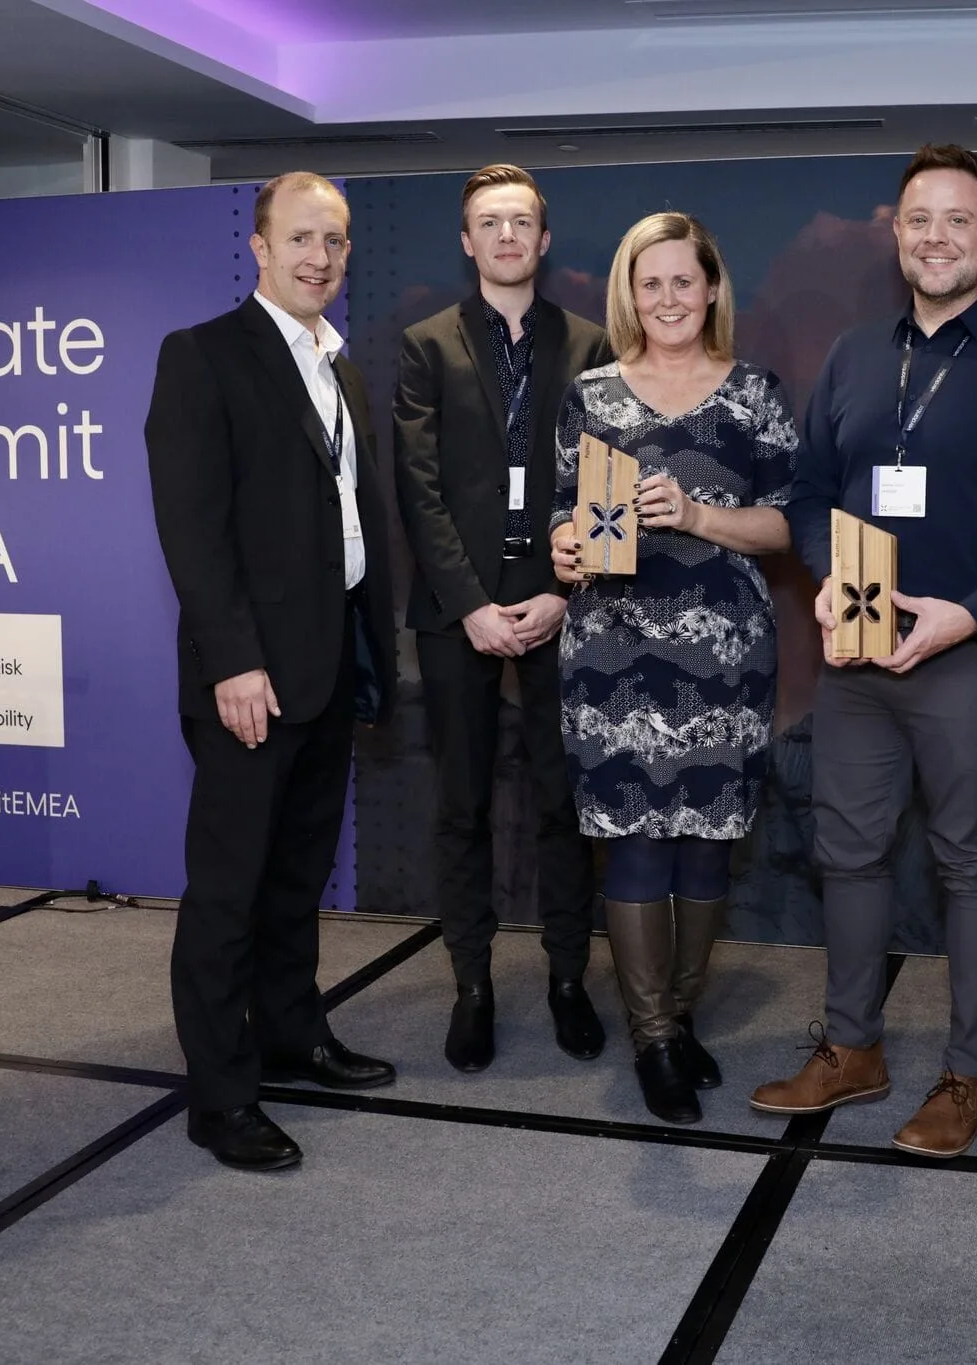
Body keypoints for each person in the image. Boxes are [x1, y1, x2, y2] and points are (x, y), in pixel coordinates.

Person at [749, 144, 977, 1158]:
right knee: (846, 852)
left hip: (969, 654)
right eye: (918, 219)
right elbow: (810, 491)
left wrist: (972, 613)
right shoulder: (859, 355)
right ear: (894, 234)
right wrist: (827, 581)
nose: (935, 237)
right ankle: (851, 1049)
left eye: (958, 220)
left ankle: (965, 1077)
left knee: (969, 862)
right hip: (855, 659)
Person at [146, 171, 399, 1172]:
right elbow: (193, 534)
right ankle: (219, 1096)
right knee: (228, 890)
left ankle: (292, 1037)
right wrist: (235, 664)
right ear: (258, 246)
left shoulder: (340, 365)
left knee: (298, 876)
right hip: (249, 677)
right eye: (300, 239)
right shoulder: (202, 356)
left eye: (334, 242)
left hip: (330, 661)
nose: (318, 258)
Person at [548, 212, 796, 1125]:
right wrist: (567, 548)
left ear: (711, 288)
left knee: (706, 841)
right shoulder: (592, 396)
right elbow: (560, 521)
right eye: (649, 284)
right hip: (611, 653)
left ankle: (679, 1016)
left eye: (682, 282)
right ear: (629, 294)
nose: (667, 300)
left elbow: (785, 525)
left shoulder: (756, 395)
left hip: (725, 652)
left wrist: (696, 515)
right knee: (637, 838)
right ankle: (652, 1037)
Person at [394, 165, 616, 1073]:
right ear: (467, 240)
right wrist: (474, 606)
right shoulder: (426, 346)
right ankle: (473, 986)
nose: (507, 235)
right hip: (461, 612)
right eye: (489, 222)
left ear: (544, 238)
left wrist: (570, 589)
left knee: (566, 803)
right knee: (464, 807)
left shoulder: (593, 344)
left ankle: (568, 979)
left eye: (521, 221)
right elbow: (419, 489)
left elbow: (604, 477)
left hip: (567, 597)